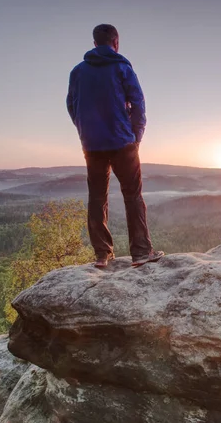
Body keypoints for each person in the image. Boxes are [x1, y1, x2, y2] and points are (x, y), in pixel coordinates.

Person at [66, 24, 164, 268]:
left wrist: (84, 131)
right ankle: (141, 253)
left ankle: (102, 255)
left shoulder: (78, 72)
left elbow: (71, 105)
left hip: (92, 145)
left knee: (97, 197)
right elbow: (139, 105)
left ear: (94, 43)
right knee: (133, 196)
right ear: (116, 42)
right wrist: (136, 137)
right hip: (123, 142)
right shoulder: (122, 68)